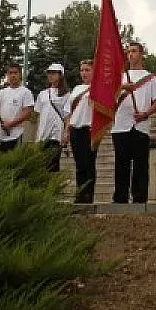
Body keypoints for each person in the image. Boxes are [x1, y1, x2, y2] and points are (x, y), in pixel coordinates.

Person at [112, 42, 156, 204]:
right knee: (121, 164)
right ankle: (120, 198)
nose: (131, 55)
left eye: (134, 51)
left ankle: (140, 199)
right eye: (128, 52)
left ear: (141, 54)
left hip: (140, 125)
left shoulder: (151, 78)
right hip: (120, 124)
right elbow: (108, 97)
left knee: (141, 165)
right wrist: (122, 87)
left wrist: (146, 114)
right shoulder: (120, 77)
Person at [65, 59, 96, 204]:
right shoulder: (76, 89)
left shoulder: (98, 88)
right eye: (82, 70)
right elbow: (69, 112)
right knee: (79, 165)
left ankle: (88, 195)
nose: (84, 73)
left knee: (88, 163)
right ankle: (80, 193)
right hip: (75, 129)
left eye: (87, 70)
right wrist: (66, 131)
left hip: (89, 129)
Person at [34, 63, 71, 173]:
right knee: (42, 164)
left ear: (60, 75)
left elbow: (67, 115)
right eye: (49, 73)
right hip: (42, 134)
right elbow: (38, 115)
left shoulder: (66, 94)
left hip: (56, 134)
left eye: (54, 73)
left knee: (53, 164)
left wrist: (66, 132)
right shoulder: (42, 94)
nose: (51, 75)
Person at [0, 63, 34, 152]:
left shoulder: (26, 92)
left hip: (15, 135)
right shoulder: (0, 92)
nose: (13, 75)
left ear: (20, 75)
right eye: (10, 73)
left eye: (15, 73)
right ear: (7, 75)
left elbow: (27, 112)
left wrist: (11, 124)